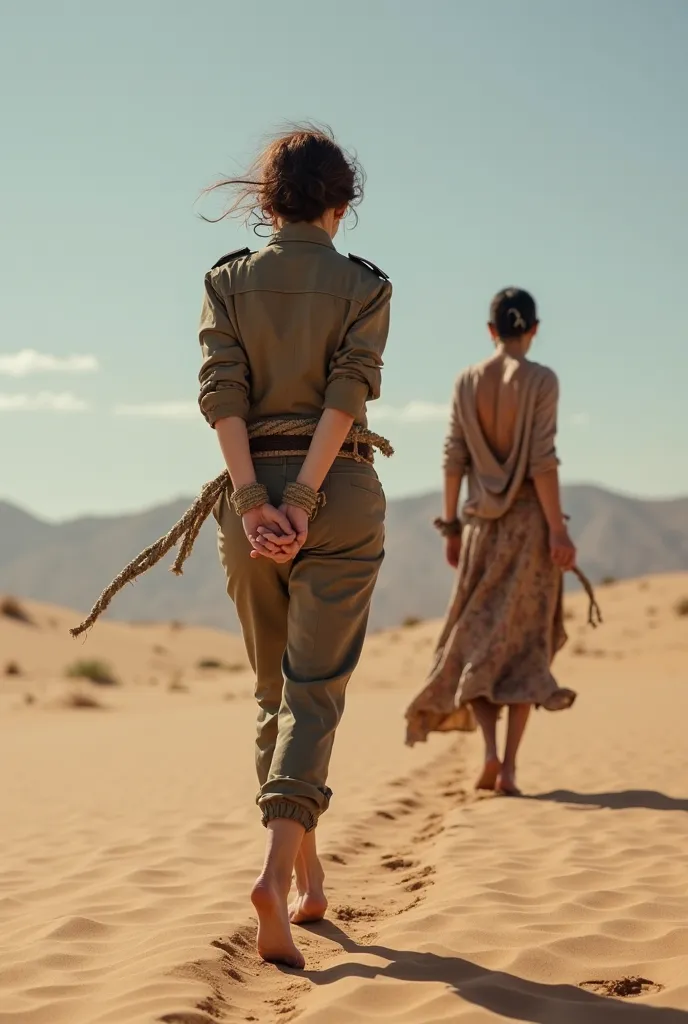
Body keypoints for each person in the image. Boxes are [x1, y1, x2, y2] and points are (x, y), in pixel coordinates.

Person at [198, 126, 392, 968]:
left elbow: (222, 392)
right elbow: (348, 390)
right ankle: (278, 878)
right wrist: (306, 498)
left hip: (249, 505)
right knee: (313, 698)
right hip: (337, 495)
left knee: (273, 692)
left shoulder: (228, 282)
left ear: (267, 202)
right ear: (341, 205)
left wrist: (253, 503)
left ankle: (309, 885)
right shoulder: (364, 285)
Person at [404, 287, 577, 796]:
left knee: (478, 639)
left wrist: (451, 526)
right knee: (525, 646)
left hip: (480, 527)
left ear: (491, 330)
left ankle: (489, 751)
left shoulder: (467, 381)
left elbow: (453, 456)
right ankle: (510, 770)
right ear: (535, 329)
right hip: (529, 529)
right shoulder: (541, 380)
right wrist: (560, 530)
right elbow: (542, 462)